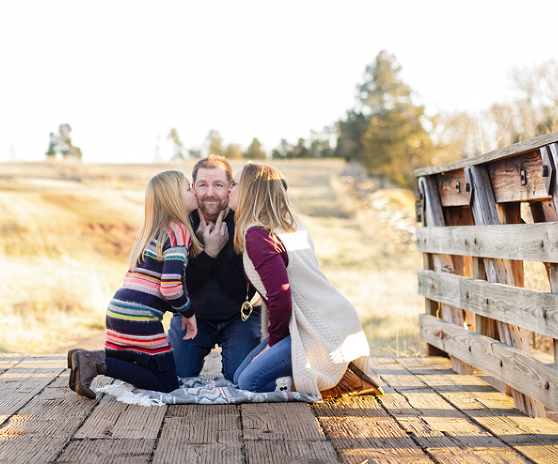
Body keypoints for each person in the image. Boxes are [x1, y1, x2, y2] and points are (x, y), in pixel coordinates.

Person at [229, 162, 382, 397]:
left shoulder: (258, 235)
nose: (229, 188)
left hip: (315, 330)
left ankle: (342, 382)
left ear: (250, 190)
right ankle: (338, 376)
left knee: (251, 383)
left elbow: (280, 295)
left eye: (234, 184)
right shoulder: (288, 224)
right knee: (239, 378)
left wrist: (272, 343)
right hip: (324, 321)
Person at [68, 170, 200, 398]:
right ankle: (98, 364)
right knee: (167, 383)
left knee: (143, 365)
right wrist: (189, 312)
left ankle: (86, 359)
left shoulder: (151, 233)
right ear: (174, 200)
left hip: (118, 311)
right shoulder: (179, 231)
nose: (194, 192)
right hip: (140, 319)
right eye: (189, 189)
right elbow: (169, 288)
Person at [167, 156, 263, 383]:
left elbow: (242, 291)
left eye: (218, 185)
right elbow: (178, 286)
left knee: (243, 380)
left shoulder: (244, 221)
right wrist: (208, 253)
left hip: (240, 315)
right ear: (193, 188)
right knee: (175, 377)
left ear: (230, 188)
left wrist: (215, 253)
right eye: (203, 185)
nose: (210, 193)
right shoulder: (181, 222)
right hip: (192, 316)